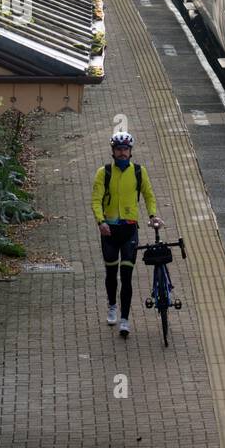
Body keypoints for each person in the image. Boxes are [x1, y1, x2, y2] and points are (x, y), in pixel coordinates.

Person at [91, 131, 161, 336]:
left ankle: (125, 319)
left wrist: (153, 215)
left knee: (127, 276)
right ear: (113, 152)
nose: (122, 153)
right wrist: (100, 221)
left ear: (130, 152)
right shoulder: (103, 173)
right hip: (109, 231)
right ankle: (112, 305)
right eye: (119, 149)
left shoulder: (139, 171)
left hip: (130, 229)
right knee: (111, 273)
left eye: (125, 149)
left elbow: (149, 195)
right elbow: (95, 200)